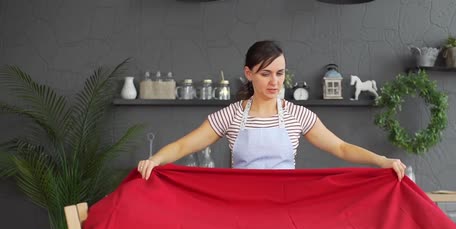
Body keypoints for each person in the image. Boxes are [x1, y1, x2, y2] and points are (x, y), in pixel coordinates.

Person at [137, 40, 406, 180]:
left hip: (284, 206)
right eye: (266, 74)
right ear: (249, 73)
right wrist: (156, 160)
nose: (275, 82)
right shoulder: (230, 115)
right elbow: (185, 145)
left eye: (280, 73)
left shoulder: (297, 115)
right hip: (239, 207)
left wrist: (383, 161)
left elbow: (341, 148)